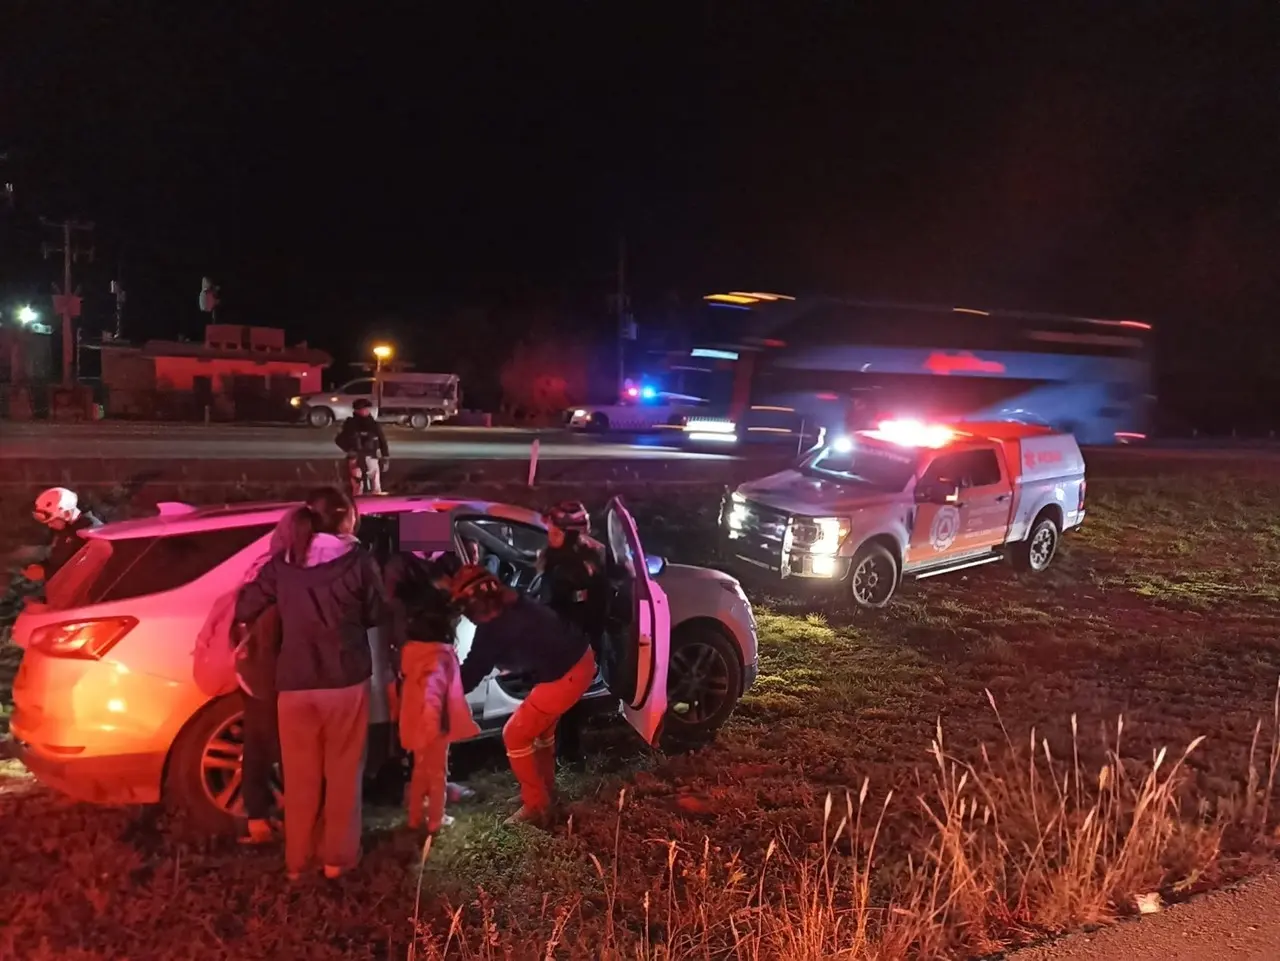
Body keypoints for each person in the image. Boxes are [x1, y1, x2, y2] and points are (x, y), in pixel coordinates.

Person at [235, 487, 389, 880]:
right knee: (342, 773)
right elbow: (376, 612)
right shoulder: (359, 560)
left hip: (294, 682)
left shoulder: (283, 565)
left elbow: (247, 605)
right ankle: (337, 860)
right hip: (345, 680)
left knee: (300, 776)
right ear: (346, 519)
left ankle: (298, 862)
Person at [442, 564, 596, 826]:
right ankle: (543, 791)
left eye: (467, 609)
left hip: (565, 675)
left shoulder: (494, 628)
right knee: (541, 731)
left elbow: (470, 674)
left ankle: (536, 805)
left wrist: (441, 686)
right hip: (579, 661)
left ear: (478, 604)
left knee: (514, 734)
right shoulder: (513, 601)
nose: (467, 616)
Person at [394, 556, 479, 832]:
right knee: (437, 770)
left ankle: (415, 816)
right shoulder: (437, 658)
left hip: (416, 724)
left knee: (419, 768)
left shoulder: (413, 653)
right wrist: (433, 724)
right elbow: (432, 693)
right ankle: (436, 819)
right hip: (434, 725)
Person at [538, 501, 608, 765]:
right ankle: (565, 751)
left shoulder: (577, 568)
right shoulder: (563, 559)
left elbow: (581, 612)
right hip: (564, 641)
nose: (549, 532)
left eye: (554, 529)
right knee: (565, 702)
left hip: (567, 644)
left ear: (569, 533)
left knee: (564, 702)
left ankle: (566, 753)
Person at [23, 487, 102, 583]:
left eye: (52, 521)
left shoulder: (92, 532)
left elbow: (85, 570)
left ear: (67, 514)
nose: (50, 525)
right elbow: (59, 559)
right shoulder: (64, 529)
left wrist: (46, 572)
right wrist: (42, 567)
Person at [335, 399, 390, 496]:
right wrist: (349, 450)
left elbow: (382, 440)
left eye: (367, 408)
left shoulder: (373, 423)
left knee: (375, 484)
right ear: (357, 410)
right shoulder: (350, 424)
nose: (367, 411)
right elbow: (339, 440)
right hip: (356, 458)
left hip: (371, 456)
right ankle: (359, 504)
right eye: (364, 408)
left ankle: (376, 504)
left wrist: (385, 457)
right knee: (357, 484)